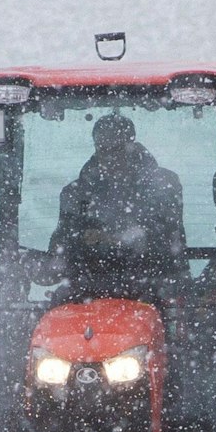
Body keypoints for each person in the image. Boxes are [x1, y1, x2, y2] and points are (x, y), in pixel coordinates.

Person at [49, 112, 187, 299]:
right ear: (96, 146)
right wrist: (79, 241)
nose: (109, 156)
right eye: (102, 148)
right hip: (86, 288)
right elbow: (61, 246)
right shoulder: (76, 193)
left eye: (116, 148)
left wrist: (117, 240)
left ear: (131, 145)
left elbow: (171, 241)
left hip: (151, 285)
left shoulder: (163, 185)